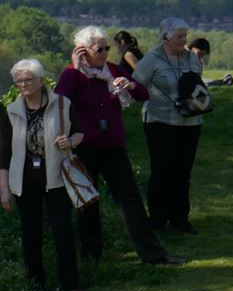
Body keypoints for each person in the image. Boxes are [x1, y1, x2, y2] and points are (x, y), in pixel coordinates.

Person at [55, 26, 184, 268]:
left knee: (130, 199)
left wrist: (131, 86)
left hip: (113, 145)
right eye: (98, 49)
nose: (104, 53)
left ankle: (153, 254)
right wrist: (75, 68)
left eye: (106, 48)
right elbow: (60, 100)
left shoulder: (112, 70)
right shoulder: (73, 75)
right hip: (85, 146)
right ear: (83, 51)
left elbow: (143, 94)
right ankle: (92, 257)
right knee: (87, 201)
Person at [1, 59, 84, 291]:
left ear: (40, 81)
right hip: (24, 181)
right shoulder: (11, 110)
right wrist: (4, 188)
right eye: (19, 81)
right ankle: (36, 284)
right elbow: (4, 153)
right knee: (30, 233)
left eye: (29, 80)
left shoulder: (62, 104)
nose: (24, 84)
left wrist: (70, 142)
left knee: (62, 230)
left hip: (56, 177)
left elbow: (80, 132)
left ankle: (70, 285)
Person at [133, 17, 204, 234]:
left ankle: (180, 218)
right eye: (179, 36)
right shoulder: (152, 59)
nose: (184, 40)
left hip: (191, 120)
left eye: (185, 35)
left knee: (183, 171)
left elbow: (197, 81)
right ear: (166, 37)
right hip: (160, 122)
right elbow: (136, 86)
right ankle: (157, 218)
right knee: (162, 170)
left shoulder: (191, 58)